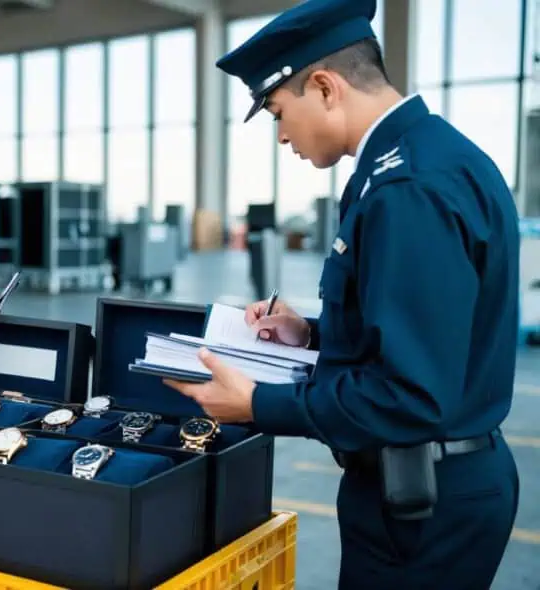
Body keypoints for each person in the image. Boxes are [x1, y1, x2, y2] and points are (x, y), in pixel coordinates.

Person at [163, 0, 520, 588]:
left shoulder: (407, 188)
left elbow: (410, 395)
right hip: (433, 486)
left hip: (421, 507)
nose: (281, 136)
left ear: (325, 88)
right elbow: (433, 330)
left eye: (279, 112)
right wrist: (314, 333)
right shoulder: (427, 159)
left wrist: (258, 404)